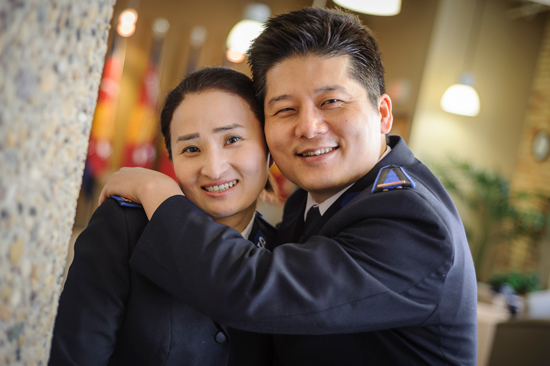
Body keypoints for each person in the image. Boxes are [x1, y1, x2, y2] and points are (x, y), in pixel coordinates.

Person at [100, 7, 478, 366]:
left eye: (331, 101)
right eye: (285, 109)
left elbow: (253, 289)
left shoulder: (412, 220)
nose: (308, 127)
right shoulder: (309, 200)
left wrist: (158, 193)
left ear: (382, 113)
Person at [49, 67, 277, 365]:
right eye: (191, 149)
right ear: (172, 160)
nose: (214, 168)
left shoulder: (282, 249)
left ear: (268, 148)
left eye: (232, 140)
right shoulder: (125, 228)